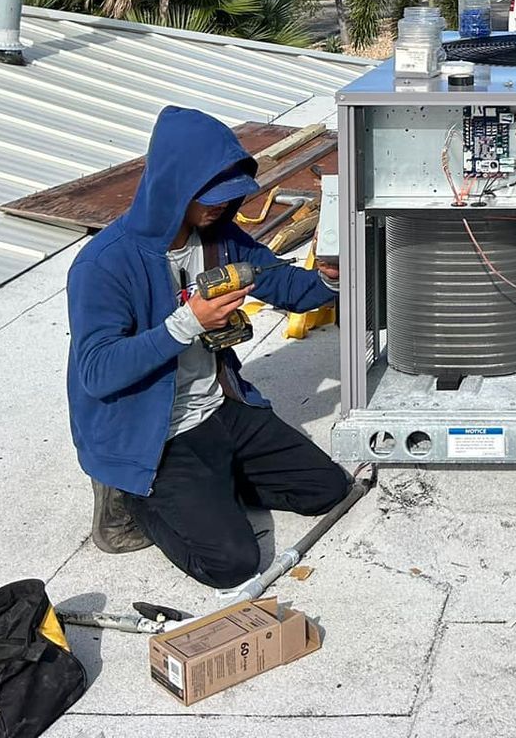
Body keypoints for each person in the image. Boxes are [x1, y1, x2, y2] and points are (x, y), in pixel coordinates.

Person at [66, 106, 350, 589]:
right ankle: (128, 498)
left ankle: (207, 492)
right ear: (173, 186)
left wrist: (333, 281)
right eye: (212, 196)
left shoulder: (218, 237)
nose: (223, 206)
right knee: (232, 564)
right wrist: (186, 324)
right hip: (154, 435)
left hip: (218, 409)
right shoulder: (104, 264)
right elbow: (96, 371)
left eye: (230, 195)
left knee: (327, 489)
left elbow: (284, 285)